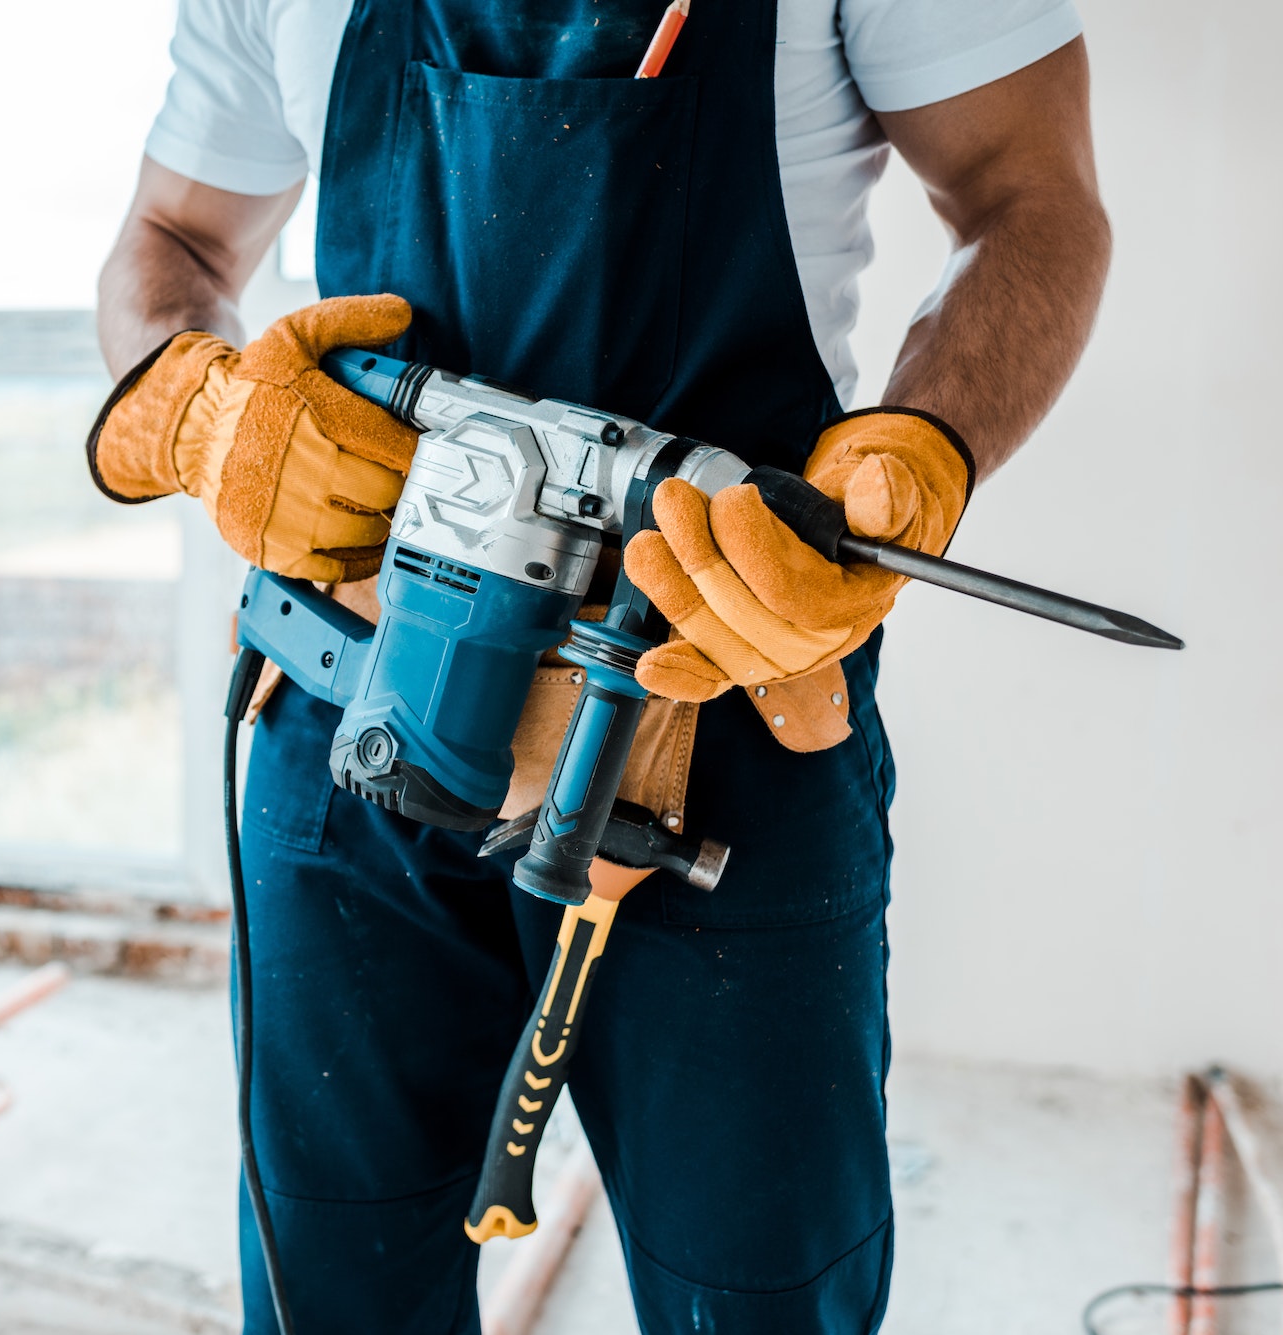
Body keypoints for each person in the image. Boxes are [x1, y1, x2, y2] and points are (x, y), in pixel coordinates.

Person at [88, 0, 1110, 1329]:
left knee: (760, 1300)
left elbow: (1032, 199)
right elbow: (172, 239)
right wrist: (188, 398)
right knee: (332, 1288)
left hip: (718, 722)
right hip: (357, 703)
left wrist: (924, 449)